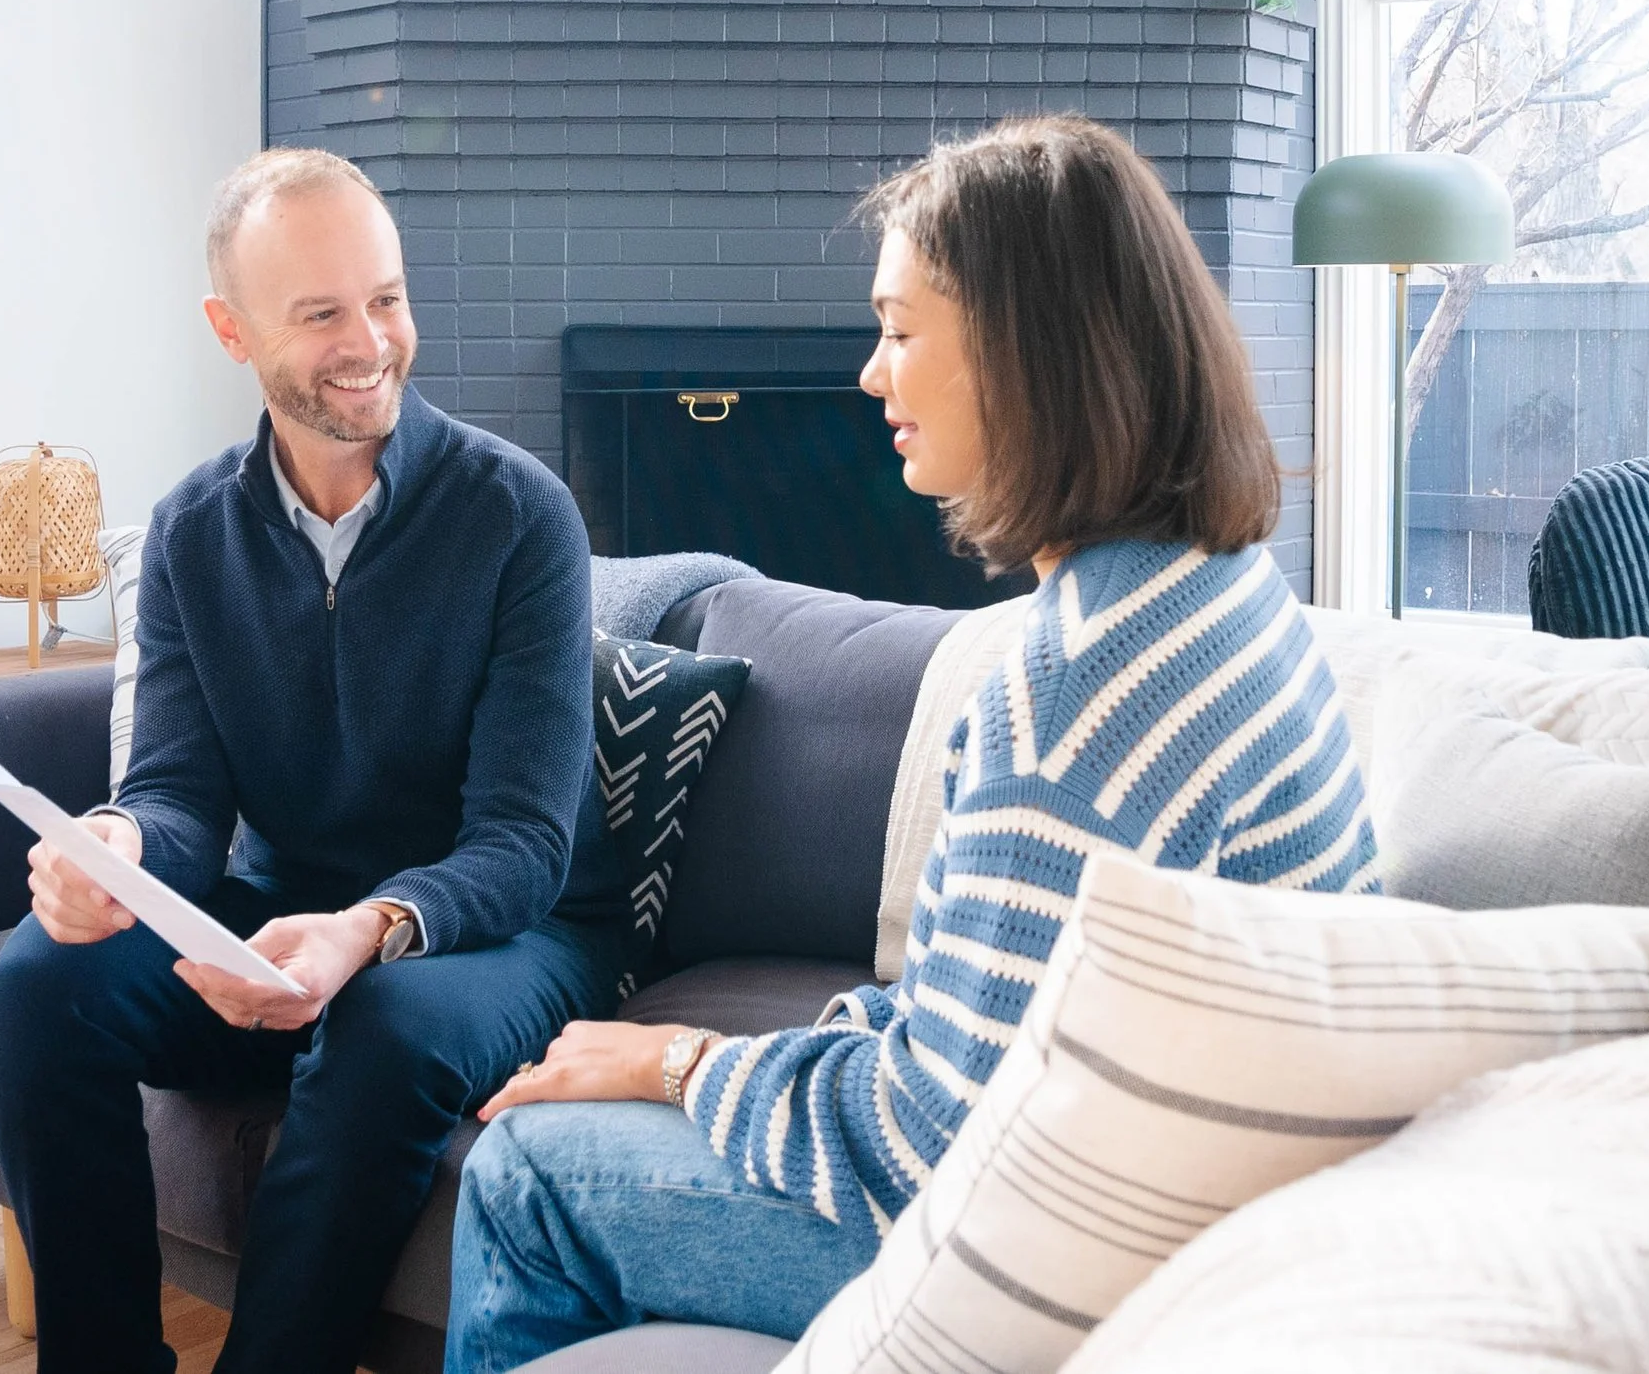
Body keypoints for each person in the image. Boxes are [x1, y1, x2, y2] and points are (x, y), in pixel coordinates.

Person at [443, 115, 1382, 1373]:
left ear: (1022, 352)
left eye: (898, 328)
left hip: (1082, 1256)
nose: (871, 375)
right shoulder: (1216, 589)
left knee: (522, 1171)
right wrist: (769, 1055)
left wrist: (677, 1061)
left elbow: (933, 1144)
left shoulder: (1072, 688)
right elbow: (979, 1028)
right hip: (1184, 1197)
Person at [0, 146, 626, 1374]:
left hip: (501, 936)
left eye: (383, 298)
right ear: (232, 330)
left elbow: (524, 845)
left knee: (383, 1020)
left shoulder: (520, 516)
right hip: (276, 923)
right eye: (321, 311)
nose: (368, 339)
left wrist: (364, 926)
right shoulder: (190, 530)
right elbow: (176, 791)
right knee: (38, 984)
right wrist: (117, 845)